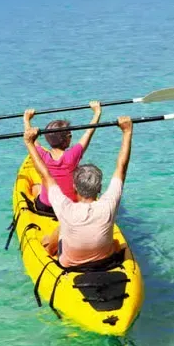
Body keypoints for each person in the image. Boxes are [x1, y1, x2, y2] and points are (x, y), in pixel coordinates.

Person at [23, 114, 133, 266]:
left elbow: (45, 175)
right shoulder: (108, 204)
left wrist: (29, 141)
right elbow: (121, 167)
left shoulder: (65, 207)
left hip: (69, 264)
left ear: (75, 186)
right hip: (105, 260)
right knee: (115, 243)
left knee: (42, 196)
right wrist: (127, 131)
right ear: (100, 188)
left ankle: (49, 247)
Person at [23, 101, 102, 213]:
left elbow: (31, 139)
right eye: (70, 135)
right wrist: (97, 112)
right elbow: (89, 132)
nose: (71, 136)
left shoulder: (41, 154)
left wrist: (27, 120)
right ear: (66, 140)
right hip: (69, 205)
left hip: (46, 207)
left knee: (36, 188)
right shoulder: (73, 155)